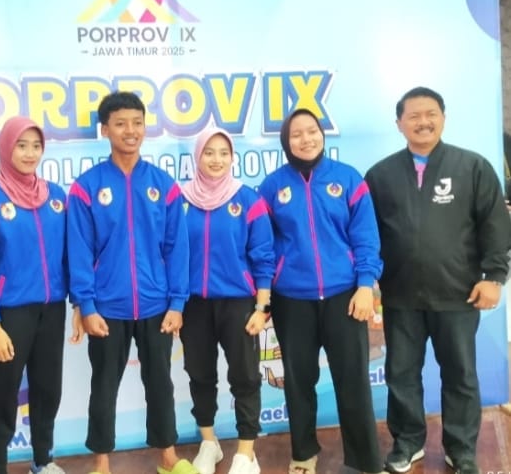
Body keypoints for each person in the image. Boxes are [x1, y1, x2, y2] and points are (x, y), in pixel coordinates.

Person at [365, 86, 511, 474]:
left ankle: (461, 450)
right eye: (413, 116)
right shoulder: (380, 175)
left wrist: (495, 276)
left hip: (458, 294)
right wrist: (368, 281)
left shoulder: (472, 167)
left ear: (443, 118)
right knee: (401, 374)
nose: (423, 122)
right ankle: (407, 442)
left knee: (460, 375)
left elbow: (495, 225)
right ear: (399, 123)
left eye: (431, 114)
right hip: (400, 296)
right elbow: (366, 234)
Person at [66, 90, 198, 474]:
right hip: (107, 308)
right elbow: (79, 251)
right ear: (105, 130)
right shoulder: (87, 187)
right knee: (103, 386)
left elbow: (177, 248)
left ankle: (168, 457)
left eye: (137, 123)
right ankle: (101, 463)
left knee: (160, 384)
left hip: (157, 304)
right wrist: (86, 306)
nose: (130, 131)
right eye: (121, 123)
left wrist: (177, 303)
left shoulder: (163, 184)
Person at [257, 108, 384, 474]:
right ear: (286, 142)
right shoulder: (271, 187)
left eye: (312, 131)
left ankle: (364, 460)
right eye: (296, 134)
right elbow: (263, 247)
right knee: (299, 381)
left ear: (322, 134)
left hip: (345, 296)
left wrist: (365, 285)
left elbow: (366, 237)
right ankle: (303, 453)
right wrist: (266, 293)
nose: (306, 139)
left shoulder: (347, 179)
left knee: (353, 379)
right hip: (292, 299)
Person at [0, 116, 69, 474]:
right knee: (2, 394)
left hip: (52, 308)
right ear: (5, 148)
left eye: (36, 146)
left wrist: (78, 304)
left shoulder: (56, 196)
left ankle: (43, 461)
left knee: (48, 390)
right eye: (21, 145)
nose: (30, 153)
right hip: (9, 313)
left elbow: (69, 255)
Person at [180, 128, 275, 474]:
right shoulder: (180, 200)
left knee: (245, 376)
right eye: (209, 152)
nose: (216, 159)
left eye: (223, 153)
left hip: (239, 304)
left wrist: (262, 307)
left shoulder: (248, 199)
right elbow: (169, 253)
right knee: (199, 374)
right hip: (193, 304)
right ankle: (209, 443)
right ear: (197, 156)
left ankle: (246, 452)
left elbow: (263, 256)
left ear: (232, 157)